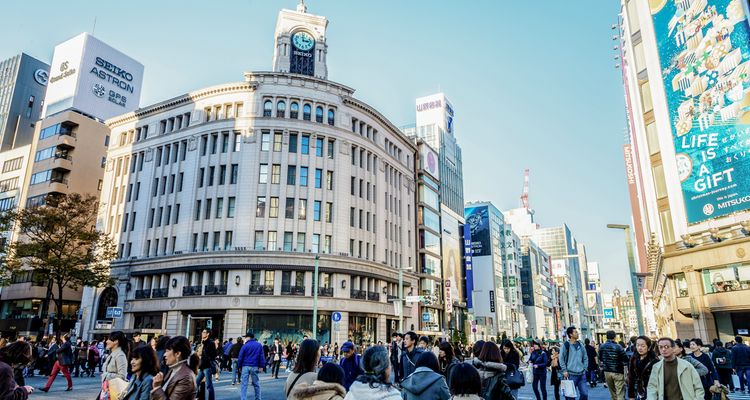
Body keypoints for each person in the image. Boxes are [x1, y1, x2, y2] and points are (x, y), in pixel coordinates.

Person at [151, 336, 198, 400]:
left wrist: (157, 388)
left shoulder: (186, 377)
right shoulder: (173, 369)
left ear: (177, 354)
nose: (164, 354)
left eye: (167, 351)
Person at [559, 326, 588, 400]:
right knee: (570, 397)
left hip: (581, 374)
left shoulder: (581, 345)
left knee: (585, 394)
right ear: (570, 334)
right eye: (575, 332)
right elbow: (561, 358)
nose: (577, 333)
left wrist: (585, 368)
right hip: (570, 375)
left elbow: (585, 357)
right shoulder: (566, 345)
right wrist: (564, 370)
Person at [599, 330, 628, 400]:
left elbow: (600, 358)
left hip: (607, 372)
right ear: (615, 337)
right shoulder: (618, 347)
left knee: (613, 393)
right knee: (620, 392)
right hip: (618, 371)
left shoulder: (602, 346)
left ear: (606, 337)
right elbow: (625, 358)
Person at [100, 331, 129, 397]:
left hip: (114, 392)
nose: (106, 341)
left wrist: (105, 375)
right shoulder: (112, 354)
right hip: (107, 390)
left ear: (116, 341)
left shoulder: (120, 356)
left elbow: (122, 376)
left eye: (109, 339)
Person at [627, 336, 657, 400]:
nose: (640, 348)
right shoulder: (634, 359)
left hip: (651, 391)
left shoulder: (654, 360)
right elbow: (631, 377)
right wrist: (631, 395)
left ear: (648, 347)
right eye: (638, 345)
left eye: (643, 346)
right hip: (639, 390)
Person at [238, 333, 265, 400]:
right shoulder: (259, 345)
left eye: (245, 337)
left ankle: (243, 398)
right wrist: (261, 366)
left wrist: (239, 366)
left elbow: (240, 357)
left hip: (245, 366)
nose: (245, 339)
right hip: (254, 366)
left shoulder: (245, 346)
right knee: (256, 383)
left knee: (244, 384)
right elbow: (261, 356)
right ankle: (258, 398)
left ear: (248, 338)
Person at [195, 329, 216, 400]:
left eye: (204, 332)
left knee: (209, 385)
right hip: (201, 366)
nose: (202, 333)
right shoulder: (201, 342)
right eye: (202, 332)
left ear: (208, 334)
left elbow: (213, 355)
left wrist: (207, 358)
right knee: (196, 383)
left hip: (207, 366)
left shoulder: (210, 343)